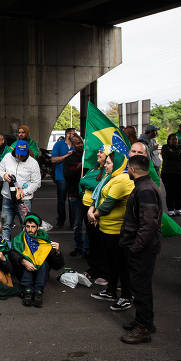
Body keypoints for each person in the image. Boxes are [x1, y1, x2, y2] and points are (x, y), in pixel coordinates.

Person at [119, 155, 162, 344]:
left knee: (141, 288)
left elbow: (148, 224)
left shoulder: (144, 190)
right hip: (141, 246)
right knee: (140, 287)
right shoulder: (145, 186)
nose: (127, 171)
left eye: (128, 168)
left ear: (133, 170)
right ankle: (144, 321)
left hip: (142, 249)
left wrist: (135, 247)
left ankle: (143, 328)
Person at [88, 150, 134, 312]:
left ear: (119, 165)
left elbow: (108, 204)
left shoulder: (122, 179)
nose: (105, 166)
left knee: (121, 265)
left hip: (117, 230)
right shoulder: (111, 177)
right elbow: (98, 196)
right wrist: (92, 209)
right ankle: (111, 291)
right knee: (111, 263)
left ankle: (126, 296)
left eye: (108, 163)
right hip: (106, 228)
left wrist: (93, 214)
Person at [10, 213, 62, 308]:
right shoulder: (18, 239)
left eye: (33, 227)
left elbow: (57, 265)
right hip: (24, 270)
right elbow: (12, 255)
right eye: (28, 226)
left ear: (38, 227)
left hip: (41, 272)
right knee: (27, 259)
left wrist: (58, 252)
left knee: (43, 262)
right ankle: (27, 291)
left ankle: (38, 292)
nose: (30, 229)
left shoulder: (44, 240)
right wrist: (23, 261)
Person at [0, 140, 42, 242]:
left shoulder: (33, 163)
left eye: (22, 155)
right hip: (7, 198)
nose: (19, 157)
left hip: (23, 200)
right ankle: (5, 249)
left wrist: (24, 191)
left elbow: (37, 182)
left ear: (27, 152)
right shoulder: (8, 157)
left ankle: (25, 248)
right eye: (18, 154)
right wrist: (3, 175)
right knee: (5, 225)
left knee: (26, 226)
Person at [80, 147, 108, 285]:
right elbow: (83, 183)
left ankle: (102, 271)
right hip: (87, 207)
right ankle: (94, 268)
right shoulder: (93, 169)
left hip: (96, 211)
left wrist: (86, 182)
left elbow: (96, 186)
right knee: (92, 239)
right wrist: (86, 182)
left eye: (101, 152)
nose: (98, 154)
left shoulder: (106, 172)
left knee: (99, 241)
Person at [63, 134, 88, 257]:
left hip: (88, 195)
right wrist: (78, 168)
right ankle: (79, 246)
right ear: (72, 145)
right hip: (75, 194)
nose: (80, 145)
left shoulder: (88, 157)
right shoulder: (69, 159)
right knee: (77, 224)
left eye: (81, 142)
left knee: (89, 224)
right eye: (77, 143)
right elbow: (67, 176)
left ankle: (87, 248)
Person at [51, 128, 76, 228]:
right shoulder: (59, 144)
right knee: (61, 200)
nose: (72, 136)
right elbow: (53, 159)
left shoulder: (76, 145)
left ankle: (73, 222)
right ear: (66, 134)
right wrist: (66, 156)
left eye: (74, 134)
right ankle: (61, 221)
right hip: (61, 176)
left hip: (73, 177)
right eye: (71, 134)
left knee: (72, 200)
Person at [161, 133, 181, 216]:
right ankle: (170, 209)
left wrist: (176, 155)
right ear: (169, 140)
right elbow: (167, 156)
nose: (175, 141)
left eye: (176, 139)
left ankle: (178, 209)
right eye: (173, 139)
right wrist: (179, 155)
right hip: (168, 173)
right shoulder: (165, 147)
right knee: (170, 191)